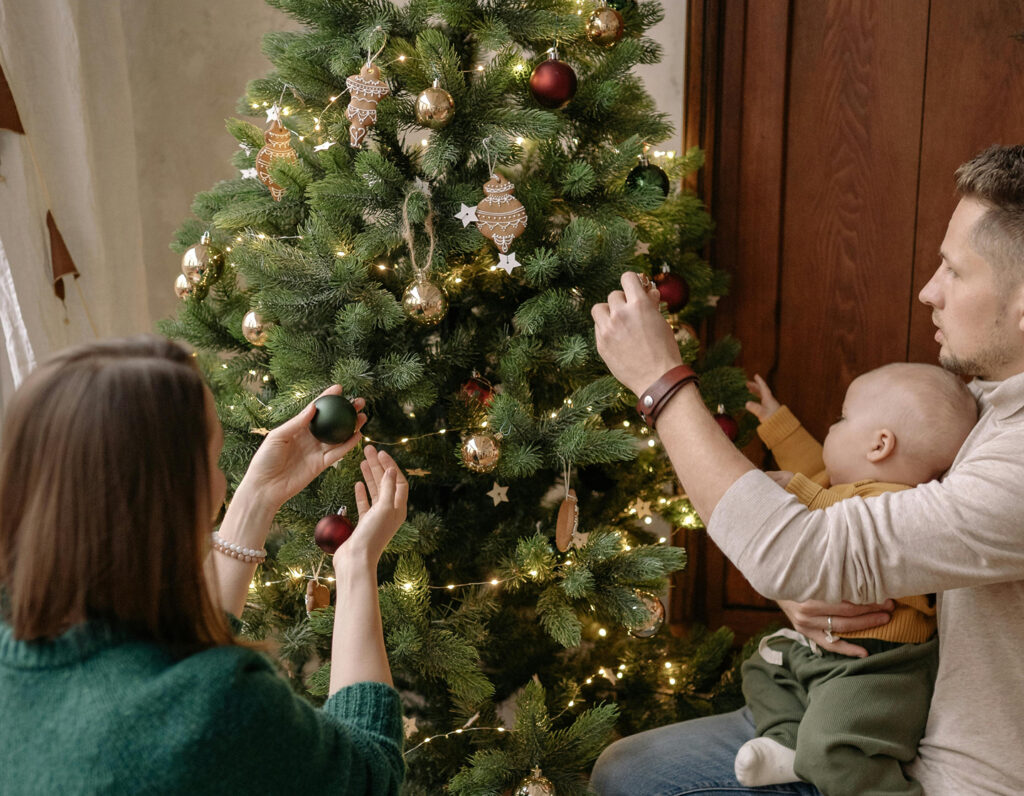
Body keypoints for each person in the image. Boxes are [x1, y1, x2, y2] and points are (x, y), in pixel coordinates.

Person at [589, 144, 1024, 795]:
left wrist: (660, 382)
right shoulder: (993, 395)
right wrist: (809, 583)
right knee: (627, 769)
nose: (928, 291)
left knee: (635, 781)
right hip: (891, 712)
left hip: (936, 774)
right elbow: (826, 524)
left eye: (954, 271)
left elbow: (796, 548)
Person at [0, 336, 407, 794]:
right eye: (214, 461)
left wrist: (257, 496)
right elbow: (369, 777)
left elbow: (170, 658)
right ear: (168, 501)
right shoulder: (218, 703)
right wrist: (355, 566)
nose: (222, 482)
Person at [734, 365, 976, 793]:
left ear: (880, 444)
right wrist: (778, 425)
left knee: (835, 750)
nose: (832, 424)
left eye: (843, 418)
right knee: (761, 667)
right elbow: (813, 469)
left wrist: (799, 491)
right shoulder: (843, 487)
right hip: (826, 652)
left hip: (880, 667)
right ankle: (787, 741)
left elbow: (832, 507)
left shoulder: (904, 506)